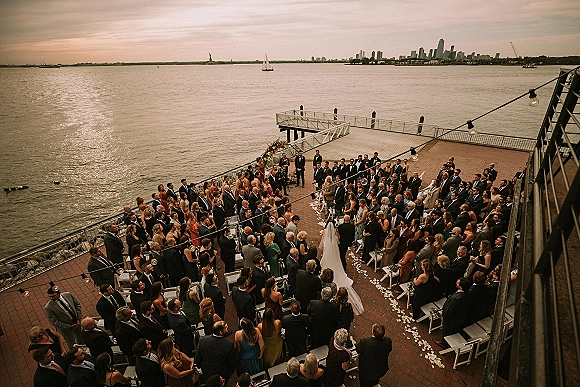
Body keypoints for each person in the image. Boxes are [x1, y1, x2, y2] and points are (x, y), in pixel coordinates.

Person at [319, 220, 364, 315]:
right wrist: (336, 233)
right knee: (336, 263)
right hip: (334, 254)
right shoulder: (335, 235)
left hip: (327, 253)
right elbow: (338, 241)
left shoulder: (325, 233)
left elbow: (322, 245)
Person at [433, 277, 473, 348]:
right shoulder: (468, 294)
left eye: (457, 283)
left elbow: (450, 309)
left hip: (452, 318)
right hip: (459, 316)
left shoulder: (456, 298)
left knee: (447, 330)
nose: (456, 283)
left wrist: (444, 316)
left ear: (460, 287)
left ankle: (444, 343)